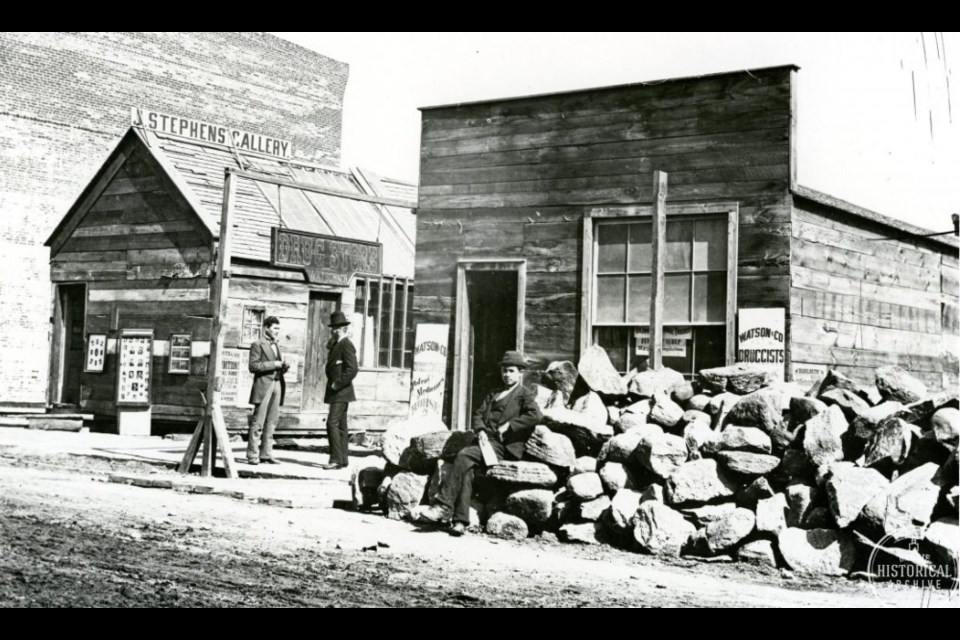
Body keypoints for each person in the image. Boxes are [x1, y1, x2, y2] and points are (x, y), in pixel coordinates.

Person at [416, 350, 542, 536]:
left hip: (503, 446)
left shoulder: (523, 394)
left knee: (464, 455)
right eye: (504, 371)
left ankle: (442, 506)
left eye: (511, 371)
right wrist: (481, 430)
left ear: (520, 372)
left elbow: (536, 415)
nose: (507, 375)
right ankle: (460, 522)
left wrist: (510, 425)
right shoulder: (494, 393)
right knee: (466, 470)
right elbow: (477, 414)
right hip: (484, 443)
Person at [247, 316, 288, 465]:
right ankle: (252, 455)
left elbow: (276, 365)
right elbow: (253, 366)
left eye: (278, 328)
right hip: (263, 386)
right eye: (275, 328)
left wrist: (283, 366)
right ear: (266, 328)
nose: (277, 331)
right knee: (258, 422)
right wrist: (274, 364)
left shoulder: (276, 345)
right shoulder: (257, 344)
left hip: (277, 383)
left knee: (272, 422)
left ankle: (266, 454)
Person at [323, 310, 358, 470]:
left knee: (332, 423)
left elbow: (352, 369)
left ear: (342, 329)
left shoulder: (347, 345)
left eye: (335, 329)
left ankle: (335, 459)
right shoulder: (337, 345)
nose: (332, 331)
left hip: (341, 391)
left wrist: (337, 384)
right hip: (338, 392)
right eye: (332, 328)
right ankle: (343, 459)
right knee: (342, 426)